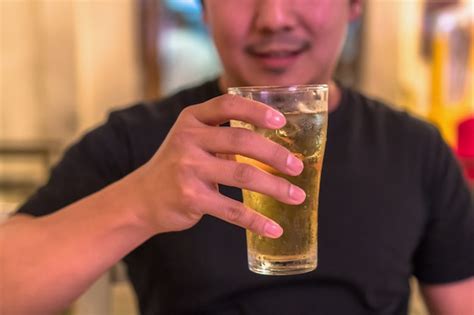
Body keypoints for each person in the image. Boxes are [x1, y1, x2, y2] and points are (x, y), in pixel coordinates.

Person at [1, 1, 473, 314]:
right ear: (204, 9)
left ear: (354, 5)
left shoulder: (418, 149)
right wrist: (140, 201)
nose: (273, 17)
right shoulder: (139, 139)